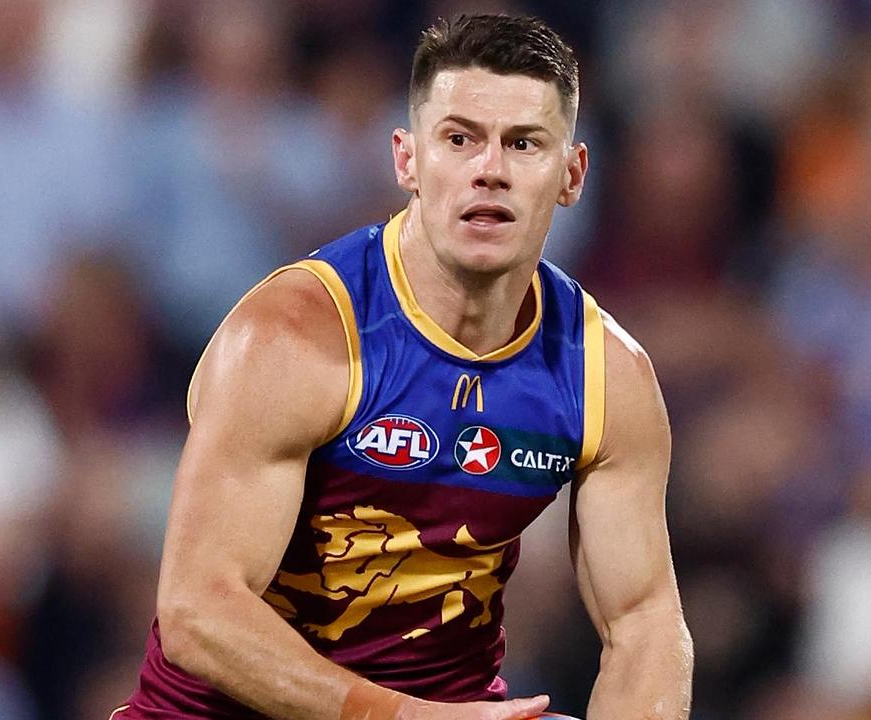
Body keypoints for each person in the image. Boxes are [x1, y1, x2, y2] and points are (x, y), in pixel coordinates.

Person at [114, 14, 693, 720]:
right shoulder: (295, 337)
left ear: (571, 174)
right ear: (407, 160)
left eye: (523, 144)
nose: (490, 169)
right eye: (459, 139)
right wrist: (399, 717)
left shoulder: (606, 375)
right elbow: (196, 613)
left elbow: (643, 624)